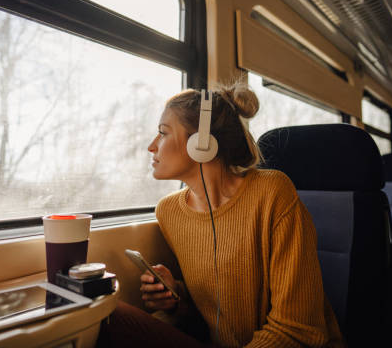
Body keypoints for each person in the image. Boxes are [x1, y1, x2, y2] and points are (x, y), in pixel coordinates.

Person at [98, 84, 344, 347]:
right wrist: (176, 299)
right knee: (110, 317)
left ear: (200, 143)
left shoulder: (273, 192)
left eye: (163, 134)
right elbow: (211, 316)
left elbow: (297, 329)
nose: (151, 146)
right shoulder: (169, 211)